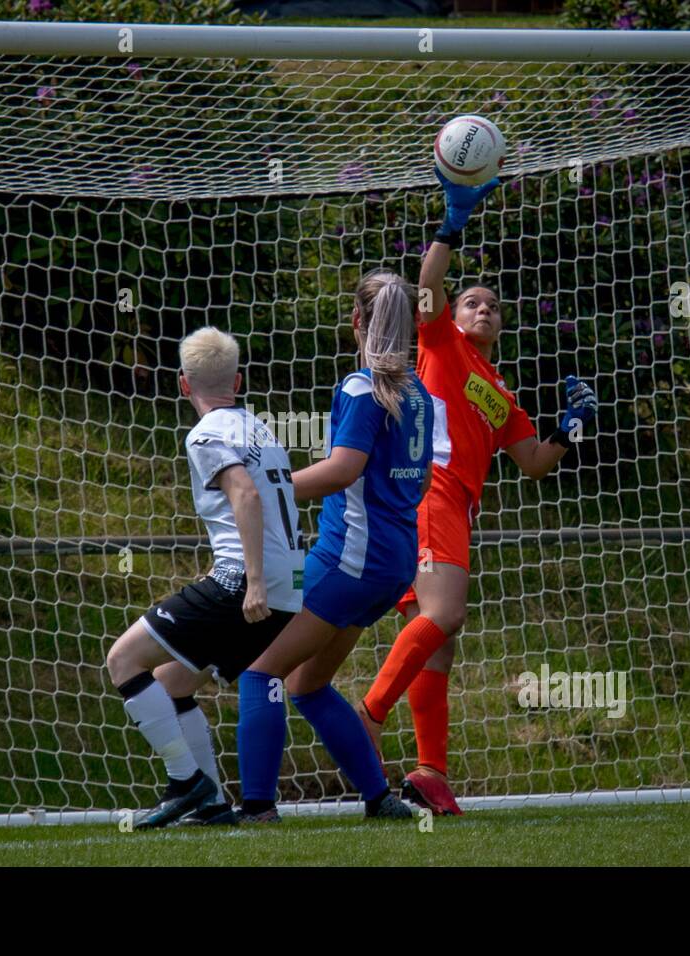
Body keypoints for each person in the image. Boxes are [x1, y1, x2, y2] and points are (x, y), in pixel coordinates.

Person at [356, 171, 600, 816]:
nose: (482, 309)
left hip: (460, 504)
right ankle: (367, 716)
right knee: (446, 614)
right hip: (430, 491)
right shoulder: (442, 344)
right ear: (455, 317)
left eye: (492, 304)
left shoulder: (500, 391)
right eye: (472, 302)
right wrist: (452, 219)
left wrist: (570, 426)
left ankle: (430, 771)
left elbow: (535, 463)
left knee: (437, 643)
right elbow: (427, 285)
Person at [234, 269, 432, 823]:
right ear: (414, 326)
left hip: (351, 558)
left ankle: (257, 807)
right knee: (308, 683)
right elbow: (419, 482)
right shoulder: (420, 396)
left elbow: (344, 469)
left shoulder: (361, 386)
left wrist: (271, 487)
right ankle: (379, 798)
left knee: (259, 671)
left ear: (357, 323)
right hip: (394, 563)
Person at [105, 326, 305, 829]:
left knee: (123, 659)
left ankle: (185, 781)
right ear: (237, 381)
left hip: (249, 583)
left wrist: (251, 578)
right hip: (290, 589)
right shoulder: (260, 429)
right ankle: (214, 802)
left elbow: (246, 496)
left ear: (181, 384)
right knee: (173, 678)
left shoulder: (208, 431)